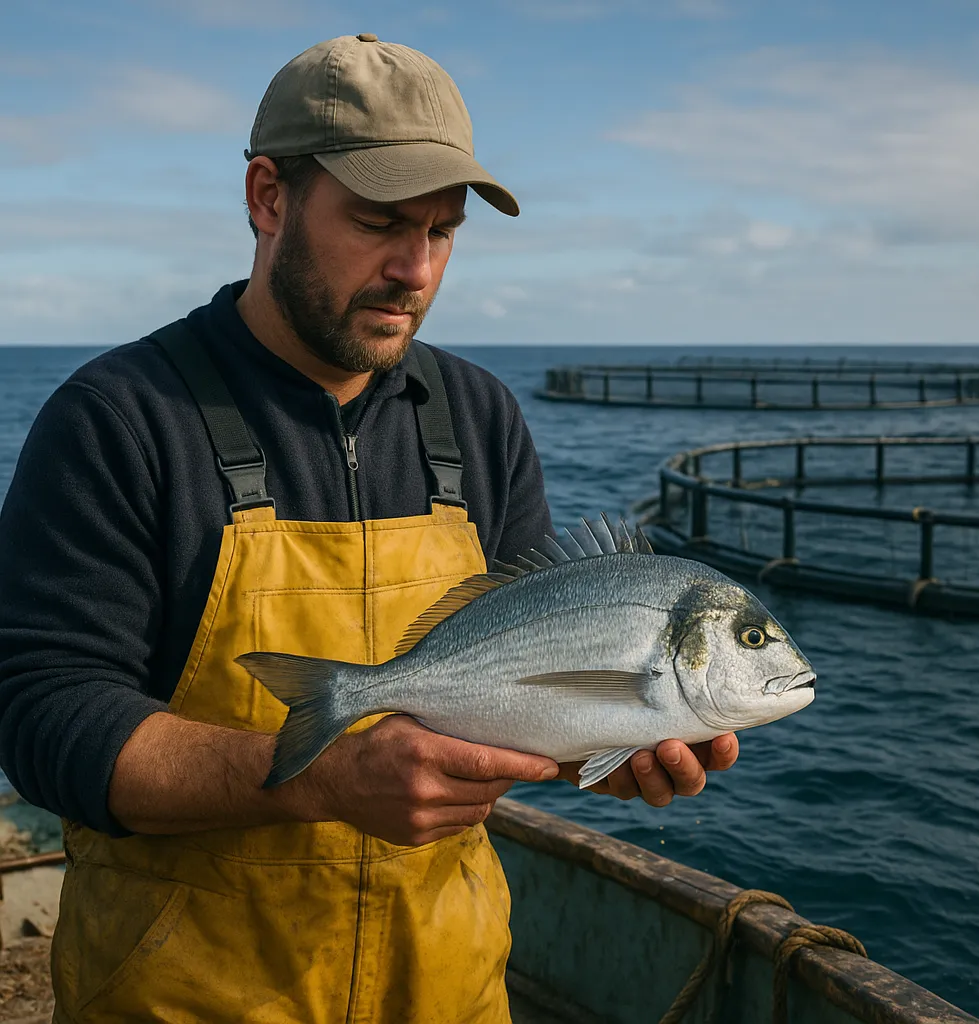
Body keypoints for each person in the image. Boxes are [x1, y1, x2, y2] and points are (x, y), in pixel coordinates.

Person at [0, 33, 739, 1023]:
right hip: (184, 998)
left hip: (447, 992)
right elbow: (43, 717)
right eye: (380, 222)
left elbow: (509, 692)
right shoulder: (120, 418)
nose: (415, 267)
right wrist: (315, 780)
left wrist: (602, 746)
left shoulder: (479, 417)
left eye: (443, 230)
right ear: (268, 198)